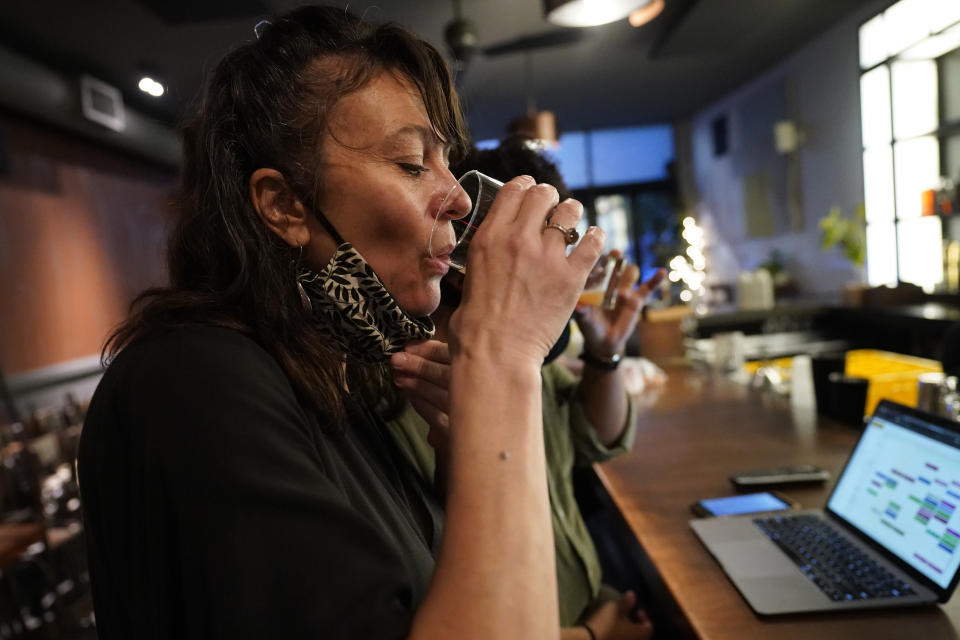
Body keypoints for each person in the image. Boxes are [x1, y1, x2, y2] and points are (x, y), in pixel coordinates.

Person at [77, 7, 604, 639]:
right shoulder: (193, 382)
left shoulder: (338, 374)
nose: (462, 199)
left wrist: (469, 452)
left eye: (446, 162)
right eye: (413, 164)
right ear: (284, 206)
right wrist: (505, 359)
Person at [389, 138, 661, 640]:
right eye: (539, 240)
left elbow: (598, 436)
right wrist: (597, 635)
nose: (548, 261)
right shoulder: (407, 386)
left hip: (592, 599)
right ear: (472, 241)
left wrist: (604, 353)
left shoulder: (535, 361)